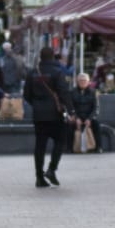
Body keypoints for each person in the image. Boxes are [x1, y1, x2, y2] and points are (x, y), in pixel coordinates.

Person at [25, 47, 75, 188]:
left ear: (40, 57)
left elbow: (26, 95)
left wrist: (37, 105)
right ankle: (51, 169)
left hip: (39, 116)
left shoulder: (32, 73)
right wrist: (71, 111)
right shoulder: (57, 72)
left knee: (40, 146)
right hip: (55, 115)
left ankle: (39, 177)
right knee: (61, 141)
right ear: (53, 56)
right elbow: (64, 92)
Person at [71, 72, 103, 151]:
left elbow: (96, 107)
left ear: (88, 82)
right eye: (80, 81)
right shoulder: (72, 92)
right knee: (69, 125)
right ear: (77, 82)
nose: (82, 82)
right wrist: (76, 117)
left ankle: (98, 147)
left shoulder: (93, 92)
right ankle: (70, 148)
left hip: (89, 116)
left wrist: (89, 118)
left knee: (96, 125)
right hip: (77, 116)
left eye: (84, 80)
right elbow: (71, 107)